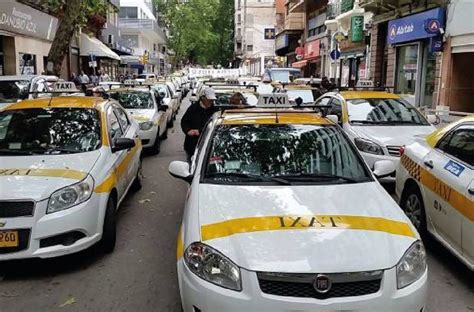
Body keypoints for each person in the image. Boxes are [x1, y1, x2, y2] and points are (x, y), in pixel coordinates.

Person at [181, 87, 217, 163]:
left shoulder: (215, 111)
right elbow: (184, 121)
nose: (211, 102)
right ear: (203, 98)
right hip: (192, 145)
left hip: (209, 147)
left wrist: (199, 131)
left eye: (212, 100)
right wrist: (188, 131)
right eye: (209, 100)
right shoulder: (193, 109)